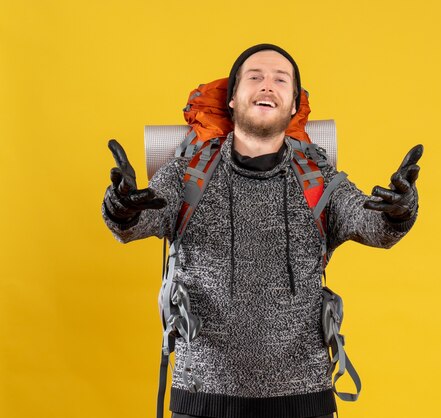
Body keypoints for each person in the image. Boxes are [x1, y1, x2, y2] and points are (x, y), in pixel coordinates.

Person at [102, 44, 423, 418]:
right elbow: (140, 219)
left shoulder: (316, 176)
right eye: (254, 77)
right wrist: (121, 208)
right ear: (234, 100)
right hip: (202, 397)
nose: (267, 85)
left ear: (292, 105)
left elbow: (372, 224)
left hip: (305, 398)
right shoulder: (188, 172)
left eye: (280, 80)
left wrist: (399, 211)